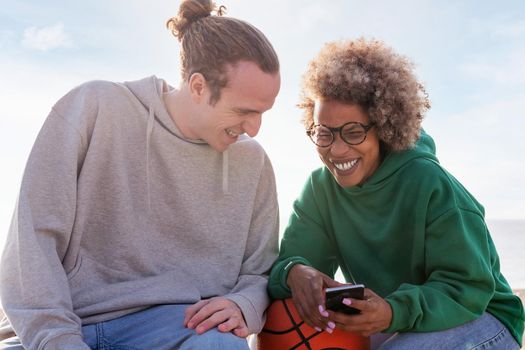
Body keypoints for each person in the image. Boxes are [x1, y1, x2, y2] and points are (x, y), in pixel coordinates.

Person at [0, 0, 281, 349]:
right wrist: (57, 341)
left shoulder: (252, 163)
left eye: (263, 113)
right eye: (244, 111)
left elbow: (260, 269)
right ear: (198, 87)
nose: (253, 129)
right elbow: (31, 242)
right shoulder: (93, 108)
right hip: (60, 325)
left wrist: (246, 303)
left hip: (178, 328)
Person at [267, 38, 524, 349]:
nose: (336, 149)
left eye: (353, 132)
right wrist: (296, 271)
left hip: (483, 320)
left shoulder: (430, 183)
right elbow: (287, 264)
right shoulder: (320, 189)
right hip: (400, 320)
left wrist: (393, 311)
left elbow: (468, 288)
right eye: (324, 133)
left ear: (385, 126)